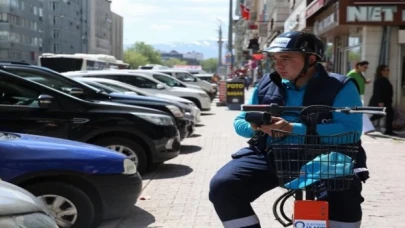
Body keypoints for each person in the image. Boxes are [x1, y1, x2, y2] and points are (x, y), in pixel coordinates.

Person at [209, 31, 370, 228]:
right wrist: (256, 128)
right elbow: (241, 120)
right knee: (223, 186)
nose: (278, 65)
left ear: (311, 59)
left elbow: (350, 130)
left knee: (343, 198)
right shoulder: (266, 84)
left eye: (286, 58)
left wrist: (292, 129)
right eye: (275, 59)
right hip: (273, 156)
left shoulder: (341, 86)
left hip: (327, 157)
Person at [369, 65, 396, 136]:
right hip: (382, 102)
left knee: (388, 114)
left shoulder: (385, 80)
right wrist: (380, 101)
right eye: (386, 70)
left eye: (388, 70)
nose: (388, 71)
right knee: (380, 115)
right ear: (381, 71)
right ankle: (367, 124)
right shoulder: (379, 80)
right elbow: (377, 92)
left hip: (387, 101)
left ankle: (389, 130)